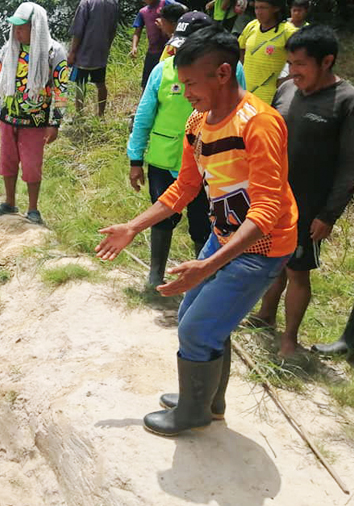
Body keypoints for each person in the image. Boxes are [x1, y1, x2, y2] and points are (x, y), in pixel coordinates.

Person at [96, 25, 297, 436]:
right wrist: (133, 226)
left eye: (190, 83)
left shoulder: (259, 124)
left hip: (261, 247)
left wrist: (208, 266)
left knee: (196, 329)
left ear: (222, 74)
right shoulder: (197, 122)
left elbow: (266, 210)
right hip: (224, 236)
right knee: (193, 316)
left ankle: (193, 413)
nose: (184, 92)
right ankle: (207, 401)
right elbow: (185, 187)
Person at [251, 25, 354, 358]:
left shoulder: (346, 100)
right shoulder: (286, 90)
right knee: (271, 259)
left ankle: (289, 340)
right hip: (272, 196)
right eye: (290, 63)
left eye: (300, 64)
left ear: (326, 61)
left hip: (310, 205)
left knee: (297, 270)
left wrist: (328, 214)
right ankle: (265, 315)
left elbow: (349, 166)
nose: (293, 71)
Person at [128, 11, 247, 287]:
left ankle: (202, 278)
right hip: (165, 159)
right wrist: (135, 158)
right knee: (162, 217)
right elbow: (144, 116)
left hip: (210, 162)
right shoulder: (163, 69)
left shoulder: (231, 71)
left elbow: (237, 115)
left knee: (203, 224)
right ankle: (155, 276)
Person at [0, 2, 68, 225]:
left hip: (35, 121)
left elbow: (61, 89)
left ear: (36, 27)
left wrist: (54, 123)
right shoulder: (9, 49)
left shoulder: (53, 52)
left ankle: (33, 208)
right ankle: (9, 202)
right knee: (7, 162)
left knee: (31, 165)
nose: (17, 32)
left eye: (22, 27)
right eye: (15, 27)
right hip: (9, 117)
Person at [238, 0, 297, 104]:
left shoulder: (288, 32)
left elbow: (303, 60)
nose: (258, 12)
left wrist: (287, 80)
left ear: (276, 8)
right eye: (256, 8)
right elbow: (240, 48)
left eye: (263, 8)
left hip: (269, 98)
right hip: (245, 94)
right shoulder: (251, 26)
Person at [68, 0, 119, 116]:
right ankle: (100, 114)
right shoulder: (113, 3)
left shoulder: (86, 3)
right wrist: (107, 47)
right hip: (101, 52)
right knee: (100, 84)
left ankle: (79, 114)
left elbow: (78, 30)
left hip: (84, 52)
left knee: (80, 84)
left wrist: (72, 52)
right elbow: (113, 29)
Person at [131, 0, 179, 89]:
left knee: (168, 78)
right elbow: (137, 31)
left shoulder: (166, 3)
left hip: (167, 50)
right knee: (147, 82)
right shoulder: (143, 12)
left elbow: (183, 9)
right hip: (152, 51)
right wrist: (134, 47)